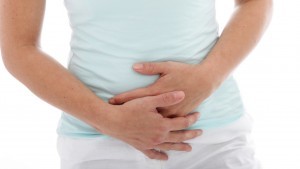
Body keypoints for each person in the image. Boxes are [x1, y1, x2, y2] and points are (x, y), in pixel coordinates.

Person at [0, 0, 272, 168]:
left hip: (212, 138)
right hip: (97, 144)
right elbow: (19, 49)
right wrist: (108, 119)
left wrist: (209, 77)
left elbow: (254, 2)